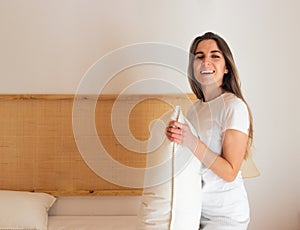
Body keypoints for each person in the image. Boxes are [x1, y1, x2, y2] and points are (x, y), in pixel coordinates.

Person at [166, 32, 253, 229]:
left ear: (226, 67)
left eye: (215, 56)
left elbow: (230, 172)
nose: (206, 62)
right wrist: (176, 137)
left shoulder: (234, 107)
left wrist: (191, 141)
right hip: (196, 210)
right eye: (199, 57)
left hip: (225, 216)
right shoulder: (194, 109)